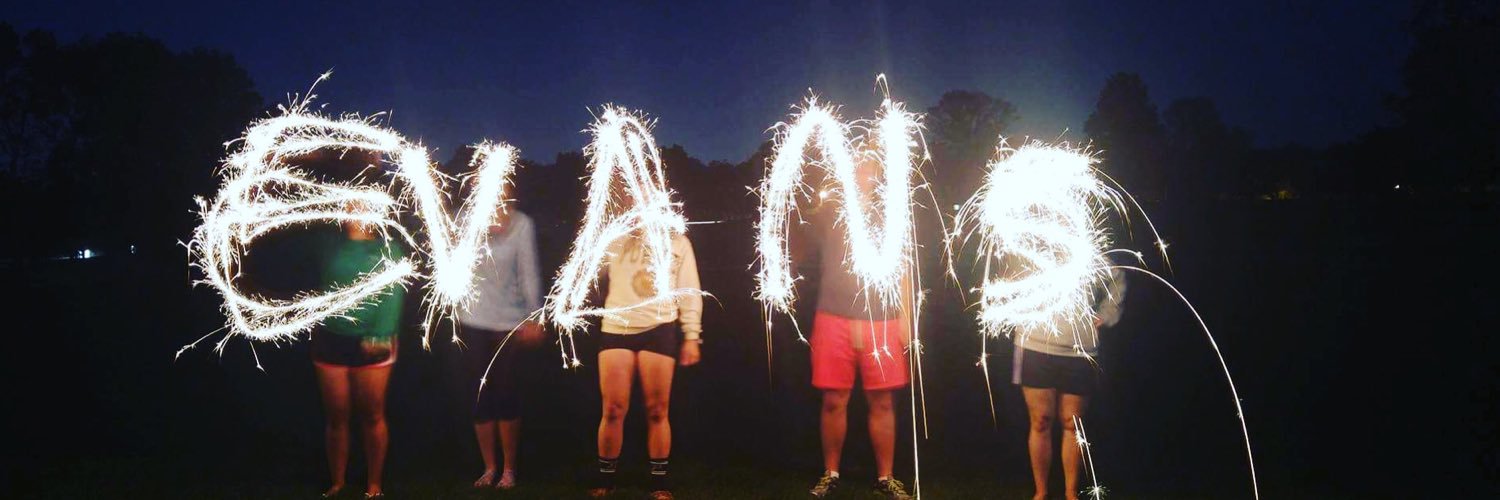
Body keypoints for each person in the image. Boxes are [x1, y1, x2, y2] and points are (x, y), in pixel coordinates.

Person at [805, 161, 914, 500]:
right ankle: (831, 473)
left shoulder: (891, 216)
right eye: (856, 168)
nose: (862, 174)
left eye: (869, 169)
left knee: (882, 399)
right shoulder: (828, 213)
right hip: (833, 316)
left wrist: (906, 317)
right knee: (834, 398)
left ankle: (886, 477)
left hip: (881, 319)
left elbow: (903, 268)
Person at [589, 229, 704, 500]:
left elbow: (689, 291)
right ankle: (606, 479)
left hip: (659, 327)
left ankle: (659, 482)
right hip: (617, 326)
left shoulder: (677, 241)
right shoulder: (613, 237)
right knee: (614, 408)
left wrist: (692, 335)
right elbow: (591, 276)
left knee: (657, 409)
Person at [311, 208, 407, 499]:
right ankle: (337, 482)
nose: (355, 211)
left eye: (363, 205)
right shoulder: (328, 243)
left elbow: (393, 293)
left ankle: (374, 484)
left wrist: (379, 333)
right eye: (350, 205)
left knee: (372, 414)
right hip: (331, 339)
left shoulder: (389, 248)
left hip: (373, 341)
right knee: (336, 416)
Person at [1012, 268, 1126, 500]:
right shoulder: (1033, 237)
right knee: (1040, 420)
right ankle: (1041, 492)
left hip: (1080, 350)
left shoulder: (1089, 239)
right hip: (1034, 344)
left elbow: (1117, 277)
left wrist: (1106, 314)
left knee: (1073, 423)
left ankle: (1071, 493)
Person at [454, 197, 544, 490]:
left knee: (506, 394)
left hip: (509, 321)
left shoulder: (521, 224)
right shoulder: (468, 220)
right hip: (474, 320)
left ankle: (508, 469)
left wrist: (533, 316)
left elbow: (528, 271)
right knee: (480, 397)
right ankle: (488, 467)